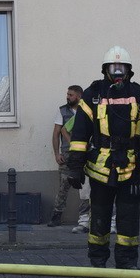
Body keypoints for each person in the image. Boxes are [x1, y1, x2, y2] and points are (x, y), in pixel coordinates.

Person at [67, 47, 140, 269]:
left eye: (122, 67)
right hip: (101, 167)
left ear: (129, 70)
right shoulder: (93, 94)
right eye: (113, 67)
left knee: (129, 217)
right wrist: (75, 166)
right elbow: (80, 134)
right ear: (105, 70)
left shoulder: (139, 94)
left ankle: (127, 263)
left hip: (131, 166)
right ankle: (98, 260)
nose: (118, 71)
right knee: (99, 216)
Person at [48, 85, 91, 228]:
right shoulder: (63, 111)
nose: (67, 97)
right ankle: (56, 215)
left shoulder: (86, 110)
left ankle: (84, 217)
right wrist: (57, 153)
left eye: (70, 95)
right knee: (64, 185)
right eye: (67, 94)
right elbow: (56, 134)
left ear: (78, 96)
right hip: (67, 154)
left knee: (85, 186)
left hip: (86, 154)